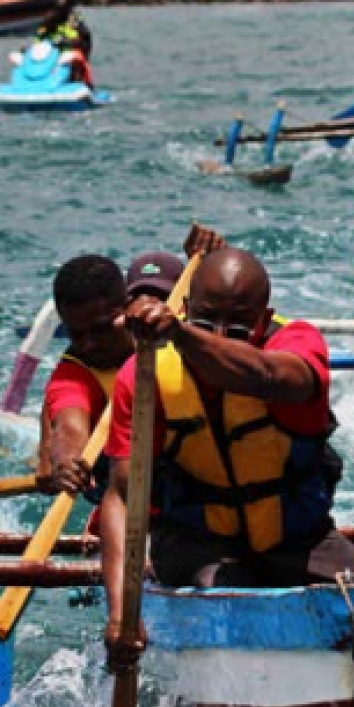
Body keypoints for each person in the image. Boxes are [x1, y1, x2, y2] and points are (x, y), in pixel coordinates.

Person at [97, 248, 354, 670]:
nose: (223, 335)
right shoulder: (143, 375)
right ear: (187, 309)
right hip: (197, 543)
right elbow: (120, 496)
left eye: (239, 327)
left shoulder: (298, 343)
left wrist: (189, 336)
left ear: (265, 320)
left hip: (296, 539)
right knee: (233, 596)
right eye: (207, 321)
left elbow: (275, 378)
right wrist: (121, 614)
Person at [37, 225, 225, 539]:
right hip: (134, 503)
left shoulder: (170, 328)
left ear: (125, 306)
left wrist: (216, 259)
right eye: (76, 333)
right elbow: (70, 427)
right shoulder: (74, 373)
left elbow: (233, 310)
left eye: (99, 329)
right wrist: (65, 462)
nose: (87, 345)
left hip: (202, 494)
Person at [34, 0, 94, 86]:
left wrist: (70, 42)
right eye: (58, 5)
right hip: (51, 53)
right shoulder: (48, 21)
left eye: (64, 5)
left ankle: (86, 85)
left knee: (78, 58)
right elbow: (38, 41)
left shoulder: (74, 20)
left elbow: (83, 38)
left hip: (71, 51)